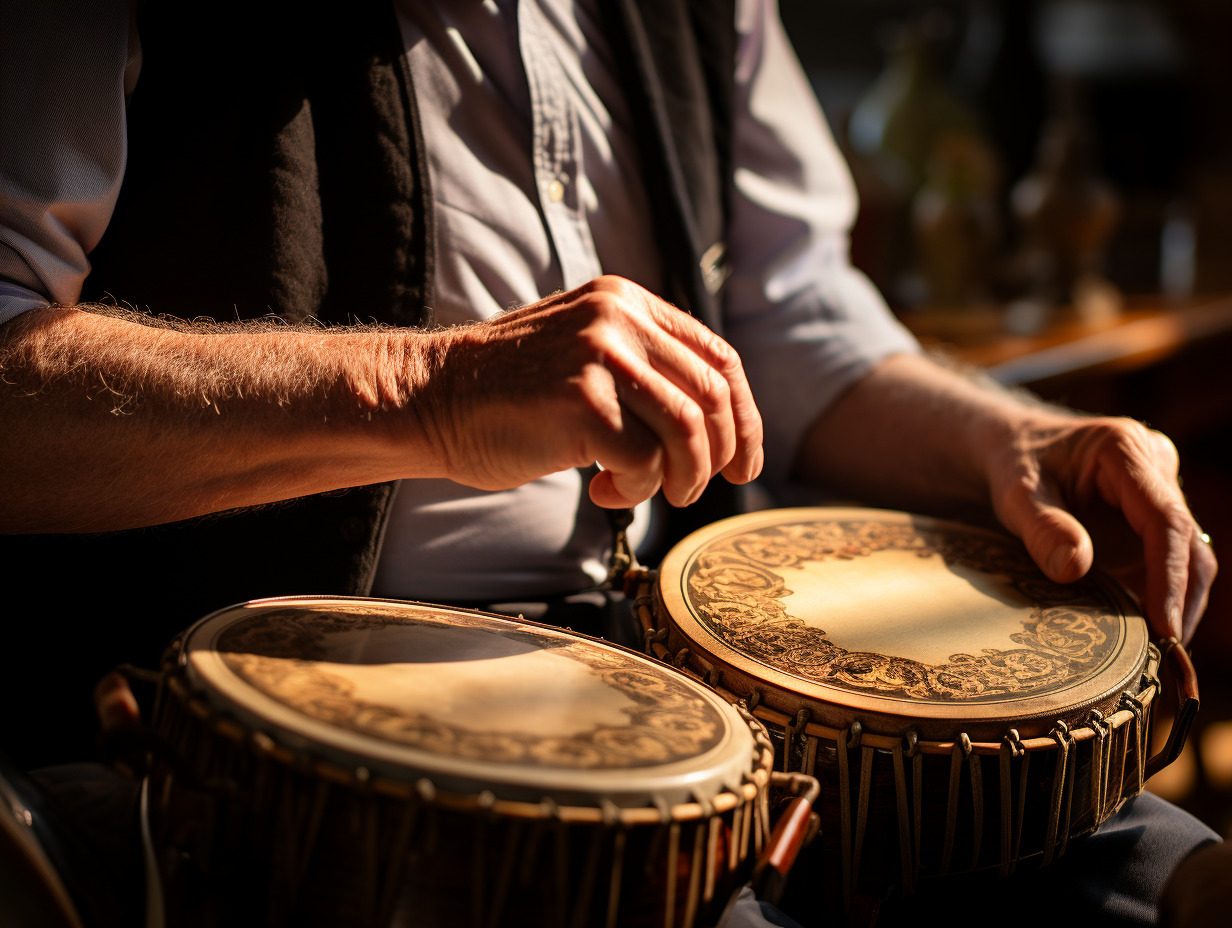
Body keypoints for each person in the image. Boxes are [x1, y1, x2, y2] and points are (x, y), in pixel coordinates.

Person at [0, 0, 1218, 925]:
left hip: (671, 656)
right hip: (279, 711)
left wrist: (1007, 438)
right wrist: (434, 390)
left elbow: (792, 314)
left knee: (1168, 883)